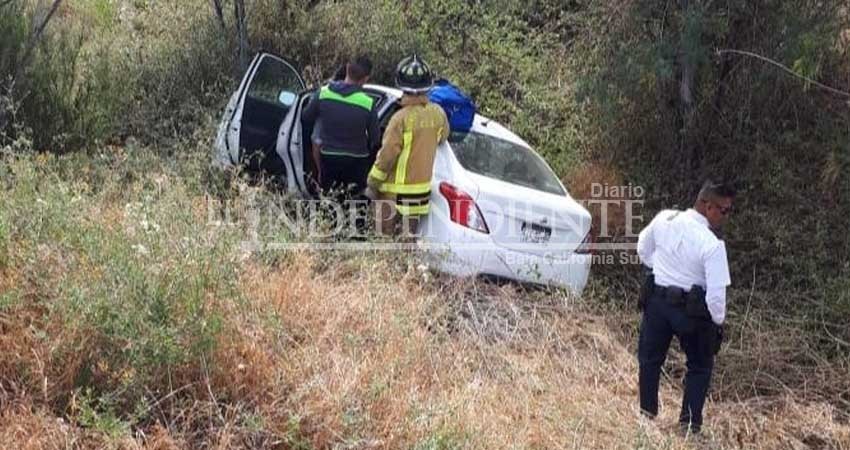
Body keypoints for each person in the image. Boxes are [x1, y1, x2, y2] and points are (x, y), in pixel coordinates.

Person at [636, 180, 736, 435]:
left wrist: (661, 269)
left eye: (728, 211)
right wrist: (717, 324)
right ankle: (689, 427)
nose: (726, 216)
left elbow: (642, 250)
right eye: (722, 210)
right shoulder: (713, 245)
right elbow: (716, 298)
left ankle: (646, 415)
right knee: (700, 366)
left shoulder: (664, 218)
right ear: (705, 205)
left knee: (649, 359)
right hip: (692, 312)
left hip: (657, 301)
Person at [366, 55, 449, 236]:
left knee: (384, 244)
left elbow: (387, 156)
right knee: (406, 244)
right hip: (419, 197)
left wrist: (372, 183)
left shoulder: (399, 119)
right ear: (428, 86)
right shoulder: (438, 115)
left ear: (401, 85)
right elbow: (443, 137)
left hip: (392, 196)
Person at [301, 56, 380, 196]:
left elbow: (305, 118)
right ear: (366, 78)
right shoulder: (368, 103)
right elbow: (375, 138)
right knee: (353, 203)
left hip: (329, 159)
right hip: (357, 162)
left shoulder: (323, 93)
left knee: (329, 200)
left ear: (347, 69)